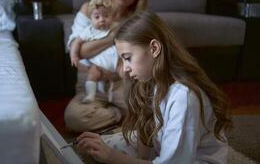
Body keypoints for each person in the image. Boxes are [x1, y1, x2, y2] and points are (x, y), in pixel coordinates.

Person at [76, 11, 233, 163]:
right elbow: (147, 128)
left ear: (154, 49)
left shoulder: (183, 98)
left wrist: (113, 157)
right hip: (162, 144)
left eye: (128, 58)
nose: (125, 69)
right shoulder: (152, 79)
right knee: (98, 147)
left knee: (110, 154)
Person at [65, 0, 149, 132]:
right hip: (91, 85)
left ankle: (116, 117)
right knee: (74, 118)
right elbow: (80, 51)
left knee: (148, 112)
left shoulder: (136, 20)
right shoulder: (90, 9)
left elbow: (135, 59)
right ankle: (119, 116)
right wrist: (112, 37)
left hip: (122, 84)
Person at [69, 0, 118, 103]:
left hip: (116, 64)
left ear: (112, 17)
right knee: (92, 75)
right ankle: (91, 95)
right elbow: (76, 42)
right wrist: (74, 55)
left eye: (106, 16)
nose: (102, 19)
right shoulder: (89, 31)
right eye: (97, 17)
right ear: (91, 19)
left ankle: (117, 97)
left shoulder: (115, 27)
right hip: (98, 64)